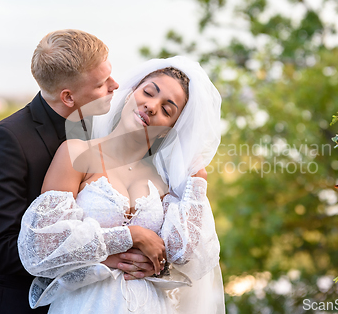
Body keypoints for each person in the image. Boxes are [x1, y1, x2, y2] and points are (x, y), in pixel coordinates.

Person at [18, 56, 225, 313]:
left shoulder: (165, 181)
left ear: (168, 130)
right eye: (148, 93)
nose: (151, 106)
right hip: (85, 305)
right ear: (129, 94)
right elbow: (41, 247)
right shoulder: (76, 153)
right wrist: (131, 237)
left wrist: (196, 182)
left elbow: (184, 254)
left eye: (166, 109)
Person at [0, 29, 154, 314]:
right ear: (68, 97)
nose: (115, 85)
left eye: (110, 74)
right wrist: (105, 254)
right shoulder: (7, 141)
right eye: (101, 83)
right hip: (24, 306)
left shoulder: (93, 122)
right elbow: (4, 253)